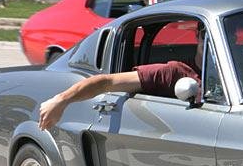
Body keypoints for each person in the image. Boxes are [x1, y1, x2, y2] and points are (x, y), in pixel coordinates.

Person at [38, 25, 205, 131]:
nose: (210, 46)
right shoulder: (174, 72)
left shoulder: (229, 74)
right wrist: (61, 100)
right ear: (197, 36)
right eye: (206, 37)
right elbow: (105, 83)